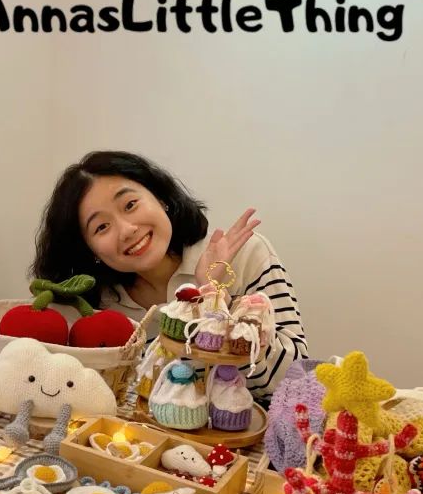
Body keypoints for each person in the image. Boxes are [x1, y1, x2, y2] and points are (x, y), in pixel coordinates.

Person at [31, 151, 307, 400]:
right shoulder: (97, 308)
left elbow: (292, 379)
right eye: (102, 227)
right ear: (89, 249)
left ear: (161, 198)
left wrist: (211, 298)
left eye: (130, 205)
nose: (127, 230)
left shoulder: (242, 254)